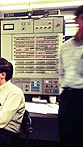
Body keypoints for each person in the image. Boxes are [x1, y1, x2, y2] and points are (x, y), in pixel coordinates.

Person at [58, 5, 83, 147]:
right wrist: (63, 93)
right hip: (67, 98)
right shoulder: (65, 46)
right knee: (66, 137)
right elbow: (62, 73)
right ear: (77, 21)